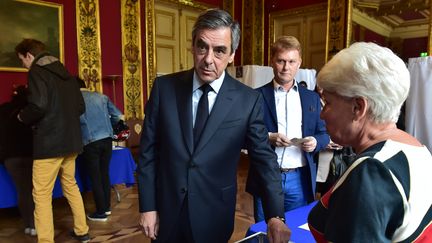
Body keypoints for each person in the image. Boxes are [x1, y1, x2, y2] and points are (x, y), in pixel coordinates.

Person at [137, 9, 291, 243]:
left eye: (219, 51)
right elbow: (148, 152)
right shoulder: (164, 89)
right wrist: (147, 206)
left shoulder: (247, 101)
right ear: (192, 45)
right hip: (165, 213)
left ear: (232, 55)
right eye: (202, 47)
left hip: (214, 215)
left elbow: (264, 159)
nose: (208, 59)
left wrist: (275, 215)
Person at [308, 42, 432, 242]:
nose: (322, 114)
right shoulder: (418, 149)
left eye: (328, 103)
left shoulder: (371, 172)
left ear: (358, 107)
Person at [247, 36, 329, 222]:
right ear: (272, 62)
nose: (286, 67)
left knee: (295, 230)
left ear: (299, 63)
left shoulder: (312, 98)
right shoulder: (255, 97)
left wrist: (315, 142)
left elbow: (324, 134)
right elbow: (245, 134)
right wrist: (268, 137)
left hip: (299, 179)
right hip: (266, 175)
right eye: (281, 61)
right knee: (264, 230)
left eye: (291, 62)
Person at [15, 39, 90, 243]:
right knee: (71, 186)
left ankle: (46, 240)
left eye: (22, 60)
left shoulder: (36, 72)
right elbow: (80, 107)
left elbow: (38, 106)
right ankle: (82, 230)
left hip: (49, 144)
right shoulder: (66, 74)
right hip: (71, 142)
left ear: (29, 55)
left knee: (41, 194)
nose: (23, 65)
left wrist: (22, 116)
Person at [76, 77, 123, 222]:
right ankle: (107, 208)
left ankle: (101, 212)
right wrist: (110, 126)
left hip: (90, 141)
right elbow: (118, 115)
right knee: (104, 173)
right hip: (107, 140)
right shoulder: (101, 97)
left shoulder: (75, 100)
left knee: (95, 176)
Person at [0, 85, 36, 236]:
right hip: (30, 154)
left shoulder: (3, 109)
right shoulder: (32, 110)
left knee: (22, 191)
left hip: (10, 156)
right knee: (33, 191)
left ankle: (28, 225)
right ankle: (34, 225)